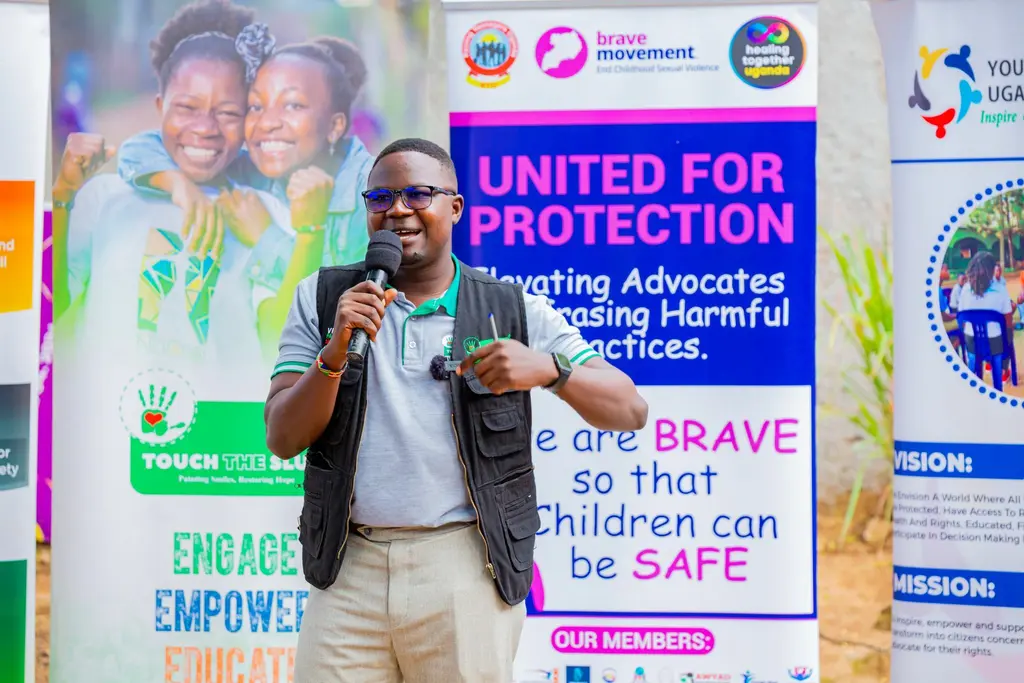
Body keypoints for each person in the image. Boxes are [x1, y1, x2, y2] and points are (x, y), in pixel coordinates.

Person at [264, 138, 648, 681]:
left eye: (419, 193)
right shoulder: (325, 298)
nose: (398, 209)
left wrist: (549, 370)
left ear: (455, 207)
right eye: (381, 196)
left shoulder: (509, 309)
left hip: (464, 566)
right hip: (349, 569)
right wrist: (334, 351)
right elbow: (282, 437)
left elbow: (630, 408)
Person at [52, 0, 281, 375]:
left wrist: (270, 238)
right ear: (160, 107)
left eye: (227, 112)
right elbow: (53, 311)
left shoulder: (262, 212)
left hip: (218, 424)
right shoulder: (105, 198)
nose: (205, 127)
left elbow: (283, 340)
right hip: (111, 421)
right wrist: (62, 198)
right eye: (187, 108)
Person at [116, 35, 374, 327]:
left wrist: (267, 237)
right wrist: (180, 186)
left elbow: (336, 316)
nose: (267, 123)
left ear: (335, 125)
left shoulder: (373, 196)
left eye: (292, 105)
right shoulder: (257, 169)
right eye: (255, 106)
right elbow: (141, 148)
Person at [958, 251, 1014, 382]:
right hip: (995, 343)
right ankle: (1002, 369)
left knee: (973, 348)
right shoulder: (1000, 289)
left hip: (971, 341)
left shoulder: (965, 289)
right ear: (991, 270)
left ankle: (973, 377)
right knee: (1007, 336)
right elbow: (1008, 321)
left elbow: (962, 319)